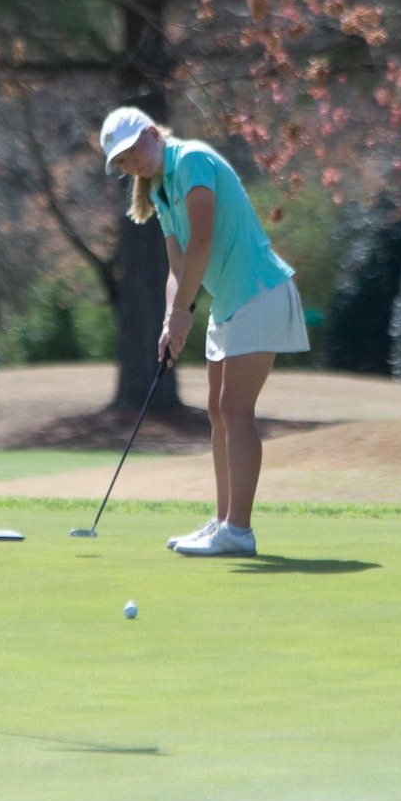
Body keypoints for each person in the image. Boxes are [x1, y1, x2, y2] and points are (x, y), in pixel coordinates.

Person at [99, 106, 310, 557]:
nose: (129, 162)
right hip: (230, 302)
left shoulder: (192, 160)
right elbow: (177, 267)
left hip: (260, 290)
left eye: (131, 150)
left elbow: (204, 241)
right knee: (218, 411)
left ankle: (240, 529)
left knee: (235, 408)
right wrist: (171, 318)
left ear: (153, 133)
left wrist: (183, 313)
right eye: (121, 160)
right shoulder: (159, 193)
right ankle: (222, 522)